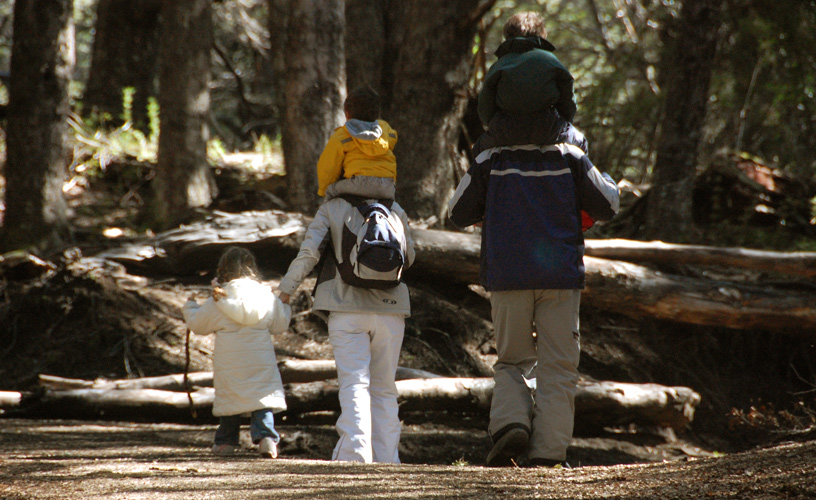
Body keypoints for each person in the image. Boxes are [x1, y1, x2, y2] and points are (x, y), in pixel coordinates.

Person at [448, 126, 620, 467]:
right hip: (560, 278)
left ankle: (511, 422)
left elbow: (457, 213)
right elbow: (608, 205)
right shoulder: (571, 155)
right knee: (558, 365)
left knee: (512, 360)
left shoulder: (490, 158)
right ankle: (547, 455)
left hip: (507, 274)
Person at [277, 193, 415, 464]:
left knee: (355, 382)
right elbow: (409, 256)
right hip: (391, 309)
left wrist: (285, 290)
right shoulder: (395, 208)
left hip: (345, 308)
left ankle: (355, 455)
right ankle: (388, 459)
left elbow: (309, 253)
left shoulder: (332, 208)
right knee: (385, 387)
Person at [182, 246, 291, 458]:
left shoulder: (219, 298)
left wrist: (190, 306)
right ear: (252, 269)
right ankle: (267, 438)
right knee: (262, 395)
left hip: (229, 359)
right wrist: (285, 306)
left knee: (230, 394)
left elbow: (198, 325)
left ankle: (225, 443)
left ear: (224, 269)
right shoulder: (266, 296)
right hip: (260, 357)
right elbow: (279, 325)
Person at [474, 11, 587, 157]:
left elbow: (485, 108)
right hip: (548, 128)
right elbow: (568, 101)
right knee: (581, 142)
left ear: (507, 37)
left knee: (478, 150)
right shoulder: (550, 60)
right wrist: (564, 122)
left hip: (506, 131)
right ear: (541, 34)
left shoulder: (499, 65)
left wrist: (494, 125)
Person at [317, 84, 398, 202]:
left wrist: (324, 189)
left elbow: (327, 168)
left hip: (358, 184)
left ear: (347, 113)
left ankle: (321, 220)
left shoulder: (342, 135)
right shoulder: (384, 129)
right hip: (387, 186)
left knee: (330, 191)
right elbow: (393, 137)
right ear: (377, 113)